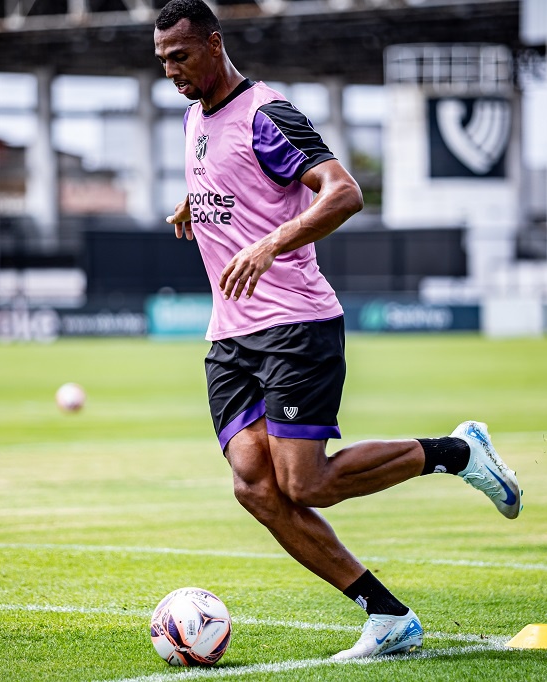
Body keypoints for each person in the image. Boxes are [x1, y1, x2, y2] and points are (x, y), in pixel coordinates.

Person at [153, 0, 522, 660]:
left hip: (295, 323)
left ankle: (457, 453)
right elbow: (231, 177)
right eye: (161, 61)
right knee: (253, 486)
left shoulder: (268, 113)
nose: (171, 70)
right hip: (230, 336)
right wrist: (196, 200)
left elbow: (343, 192)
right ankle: (387, 617)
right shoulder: (192, 119)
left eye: (180, 57)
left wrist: (270, 244)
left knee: (305, 484)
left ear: (213, 45)